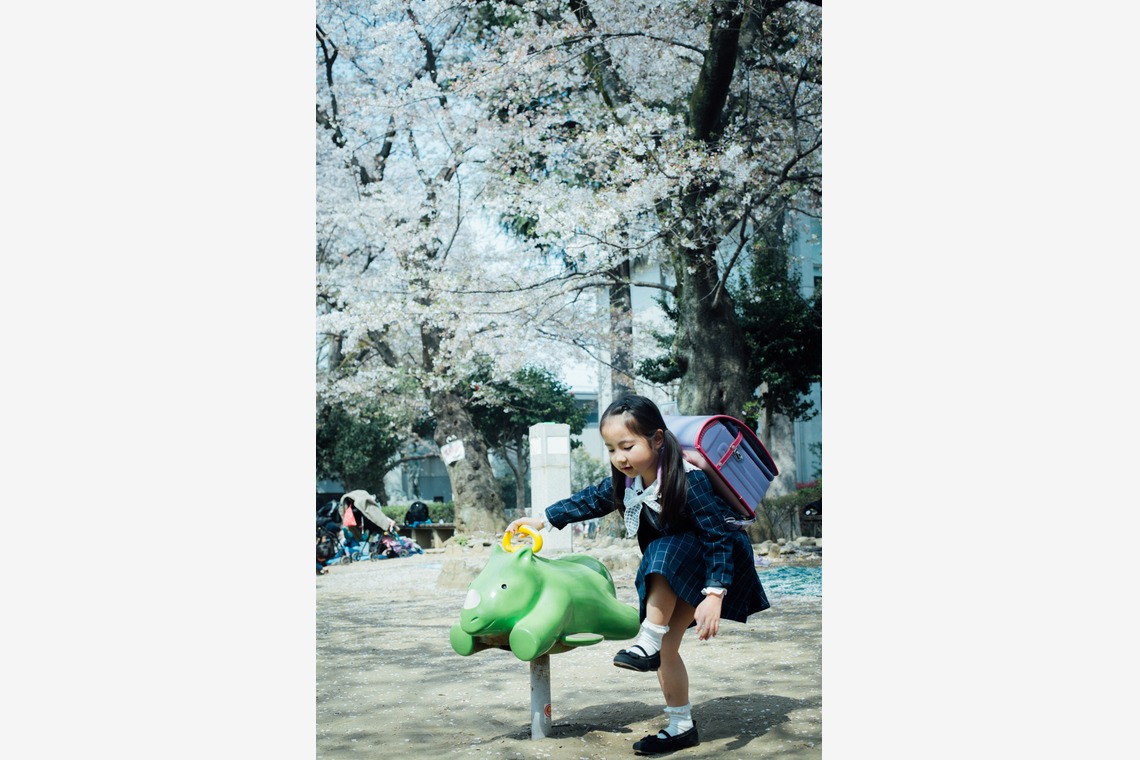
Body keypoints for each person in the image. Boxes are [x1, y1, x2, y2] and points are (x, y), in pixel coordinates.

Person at [506, 395, 769, 755]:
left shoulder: (689, 480)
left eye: (627, 446)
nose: (619, 457)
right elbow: (591, 500)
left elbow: (717, 537)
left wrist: (714, 595)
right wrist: (543, 520)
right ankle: (681, 726)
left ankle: (648, 637)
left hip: (712, 563)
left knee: (661, 553)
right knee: (667, 649)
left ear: (657, 439)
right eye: (611, 449)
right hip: (679, 565)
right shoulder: (629, 482)